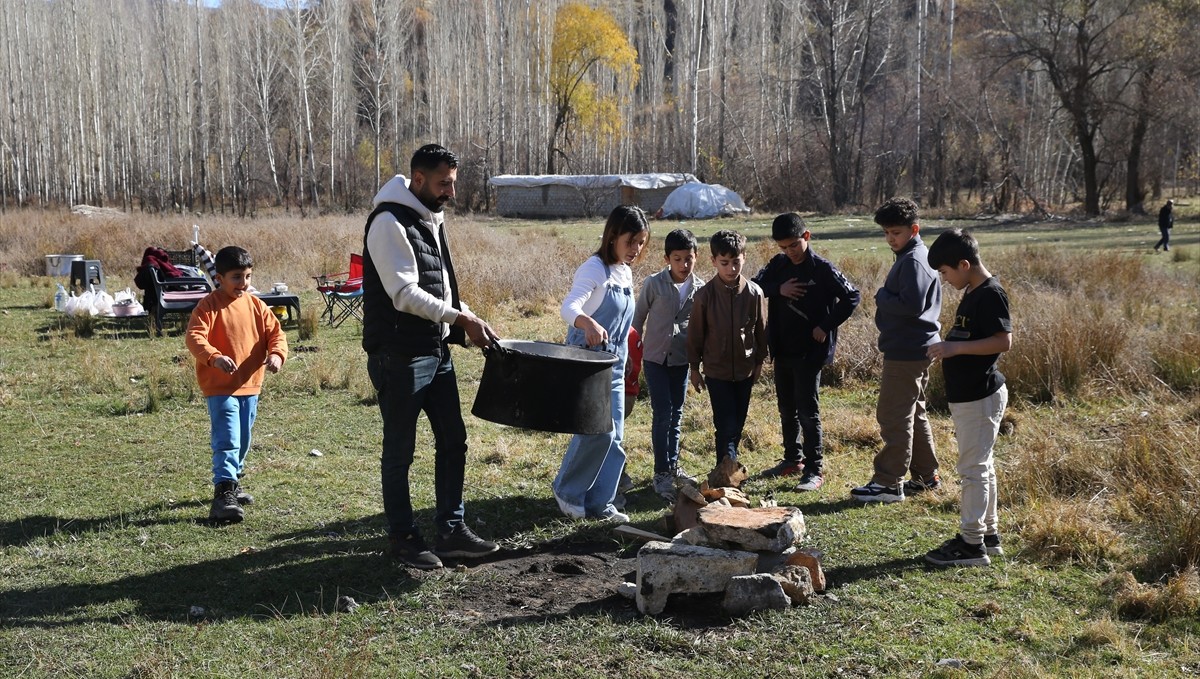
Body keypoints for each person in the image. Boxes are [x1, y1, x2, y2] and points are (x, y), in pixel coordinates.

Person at [363, 143, 501, 570]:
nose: (451, 193)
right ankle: (403, 538)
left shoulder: (427, 218)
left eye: (453, 183)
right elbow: (404, 294)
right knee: (400, 450)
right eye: (444, 184)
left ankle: (451, 530)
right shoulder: (389, 222)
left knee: (453, 439)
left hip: (434, 349)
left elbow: (435, 284)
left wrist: (460, 321)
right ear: (418, 179)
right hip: (400, 355)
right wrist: (461, 319)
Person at [552, 205, 650, 523]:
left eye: (641, 242)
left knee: (616, 436)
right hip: (588, 363)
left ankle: (600, 503)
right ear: (613, 236)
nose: (636, 249)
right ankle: (567, 491)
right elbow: (569, 307)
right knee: (597, 433)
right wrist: (587, 324)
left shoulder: (625, 271)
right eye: (631, 241)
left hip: (617, 365)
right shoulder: (594, 269)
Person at [923, 228, 1012, 567]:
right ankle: (988, 535)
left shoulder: (990, 293)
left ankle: (971, 544)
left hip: (980, 395)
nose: (944, 280)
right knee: (981, 466)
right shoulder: (974, 290)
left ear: (963, 264)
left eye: (945, 273)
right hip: (969, 397)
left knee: (972, 469)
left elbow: (1003, 341)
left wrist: (954, 347)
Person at [754, 213, 861, 491]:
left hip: (810, 352)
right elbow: (754, 287)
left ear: (807, 237)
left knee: (807, 410)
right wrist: (779, 289)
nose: (790, 252)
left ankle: (815, 469)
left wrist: (826, 326)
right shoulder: (778, 265)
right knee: (786, 408)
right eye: (783, 247)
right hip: (782, 348)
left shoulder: (822, 269)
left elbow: (852, 296)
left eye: (793, 245)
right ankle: (793, 459)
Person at [185, 246, 288, 523]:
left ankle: (234, 482)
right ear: (219, 278)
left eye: (248, 276)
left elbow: (276, 334)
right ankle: (223, 495)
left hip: (251, 385)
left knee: (243, 440)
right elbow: (195, 337)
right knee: (228, 439)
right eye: (236, 277)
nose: (244, 284)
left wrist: (277, 355)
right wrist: (214, 357)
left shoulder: (256, 306)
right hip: (220, 387)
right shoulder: (207, 306)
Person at [851, 197, 942, 503]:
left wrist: (881, 297)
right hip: (916, 347)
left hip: (907, 350)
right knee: (914, 413)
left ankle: (888, 483)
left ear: (914, 229)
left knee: (893, 415)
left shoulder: (914, 260)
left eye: (896, 233)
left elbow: (912, 304)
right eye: (886, 233)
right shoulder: (915, 255)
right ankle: (927, 476)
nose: (890, 239)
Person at [632, 228, 703, 502]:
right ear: (667, 259)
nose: (684, 265)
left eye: (689, 259)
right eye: (678, 259)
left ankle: (673, 466)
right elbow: (637, 320)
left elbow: (700, 329)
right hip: (654, 359)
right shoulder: (654, 284)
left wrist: (697, 362)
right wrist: (634, 355)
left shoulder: (700, 288)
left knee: (676, 415)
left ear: (696, 257)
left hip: (681, 360)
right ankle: (661, 472)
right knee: (662, 414)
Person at [687, 229, 767, 465]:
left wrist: (759, 362)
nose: (731, 269)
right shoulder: (705, 296)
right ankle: (726, 469)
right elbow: (695, 334)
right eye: (724, 263)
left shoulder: (755, 293)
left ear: (744, 258)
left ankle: (728, 465)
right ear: (713, 261)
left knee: (738, 422)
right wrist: (694, 367)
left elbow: (762, 330)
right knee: (724, 423)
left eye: (736, 262)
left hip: (744, 370)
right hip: (716, 370)